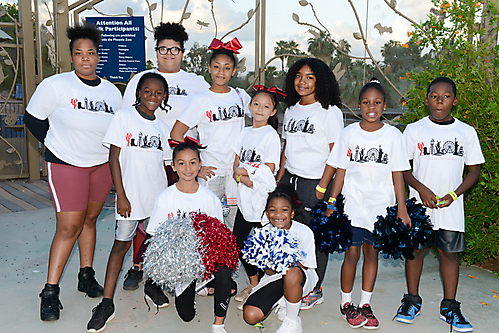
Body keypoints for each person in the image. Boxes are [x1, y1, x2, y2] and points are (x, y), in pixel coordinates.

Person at [24, 24, 122, 322]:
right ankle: (50, 292)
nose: (85, 59)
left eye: (91, 53)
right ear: (71, 57)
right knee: (68, 227)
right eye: (79, 53)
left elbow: (117, 132)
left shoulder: (111, 92)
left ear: (97, 56)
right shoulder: (55, 85)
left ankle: (85, 275)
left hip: (101, 167)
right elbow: (33, 119)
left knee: (90, 220)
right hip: (67, 165)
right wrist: (57, 146)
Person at [120, 22, 209, 292]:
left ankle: (179, 267)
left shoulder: (196, 82)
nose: (168, 54)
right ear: (155, 50)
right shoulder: (140, 79)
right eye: (162, 49)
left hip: (183, 162)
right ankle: (138, 266)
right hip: (147, 159)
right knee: (145, 212)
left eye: (175, 49)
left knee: (180, 215)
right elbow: (127, 123)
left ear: (183, 52)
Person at [395, 77, 484, 332]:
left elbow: (474, 171)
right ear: (426, 100)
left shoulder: (466, 132)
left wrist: (454, 195)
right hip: (419, 206)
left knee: (449, 254)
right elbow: (403, 168)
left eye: (446, 97)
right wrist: (420, 189)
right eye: (434, 96)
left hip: (451, 207)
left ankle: (450, 307)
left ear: (454, 101)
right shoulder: (414, 130)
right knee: (415, 252)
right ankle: (412, 301)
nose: (439, 101)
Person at [86, 73, 172, 332]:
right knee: (121, 246)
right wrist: (121, 195)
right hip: (130, 198)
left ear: (164, 97)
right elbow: (114, 159)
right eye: (147, 91)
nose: (152, 97)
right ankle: (107, 302)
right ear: (139, 93)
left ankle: (152, 286)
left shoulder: (162, 127)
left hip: (155, 197)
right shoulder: (124, 117)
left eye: (158, 93)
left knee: (153, 244)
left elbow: (165, 166)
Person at [324, 78, 411, 329]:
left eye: (377, 102)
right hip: (353, 205)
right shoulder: (348, 133)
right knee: (351, 254)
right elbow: (340, 170)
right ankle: (346, 303)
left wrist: (401, 208)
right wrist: (331, 201)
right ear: (358, 105)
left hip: (380, 207)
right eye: (365, 102)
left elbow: (398, 175)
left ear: (385, 105)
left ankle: (365, 303)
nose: (371, 106)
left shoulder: (394, 136)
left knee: (371, 254)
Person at [275, 58, 344, 309]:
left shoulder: (329, 112)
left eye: (310, 77)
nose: (302, 81)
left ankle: (315, 288)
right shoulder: (291, 109)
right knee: (289, 234)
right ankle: (292, 282)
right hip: (289, 180)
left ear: (320, 81)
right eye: (298, 76)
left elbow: (337, 154)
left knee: (315, 239)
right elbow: (287, 148)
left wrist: (322, 188)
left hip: (315, 182)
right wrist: (279, 179)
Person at [145, 142, 233, 333]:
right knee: (187, 317)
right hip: (181, 264)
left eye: (192, 163)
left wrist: (212, 262)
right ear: (174, 166)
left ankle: (219, 323)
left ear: (200, 164)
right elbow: (154, 237)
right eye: (182, 163)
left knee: (225, 272)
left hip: (205, 258)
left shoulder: (209, 198)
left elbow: (220, 239)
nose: (188, 168)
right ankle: (197, 285)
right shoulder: (165, 198)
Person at [170, 37, 251, 229]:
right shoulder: (201, 99)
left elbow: (261, 119)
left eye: (226, 67)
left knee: (233, 224)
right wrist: (196, 166)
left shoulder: (240, 96)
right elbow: (176, 134)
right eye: (216, 66)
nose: (221, 72)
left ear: (233, 70)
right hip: (211, 172)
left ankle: (231, 260)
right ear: (209, 68)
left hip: (235, 172)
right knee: (208, 225)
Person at [231, 85, 283, 308]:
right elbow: (236, 166)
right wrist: (245, 177)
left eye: (266, 106)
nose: (260, 109)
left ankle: (267, 287)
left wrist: (246, 174)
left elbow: (269, 167)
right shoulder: (244, 132)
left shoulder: (270, 136)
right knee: (239, 242)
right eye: (256, 104)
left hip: (261, 201)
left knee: (264, 246)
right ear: (249, 106)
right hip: (244, 199)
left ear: (273, 111)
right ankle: (254, 282)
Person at [243, 185, 318, 333]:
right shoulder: (264, 233)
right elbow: (269, 272)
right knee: (250, 316)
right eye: (273, 210)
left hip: (301, 276)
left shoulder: (304, 231)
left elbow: (306, 266)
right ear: (266, 213)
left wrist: (287, 260)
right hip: (274, 277)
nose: (278, 215)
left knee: (291, 273)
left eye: (284, 210)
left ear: (292, 213)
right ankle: (281, 301)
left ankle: (292, 321)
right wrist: (275, 264)